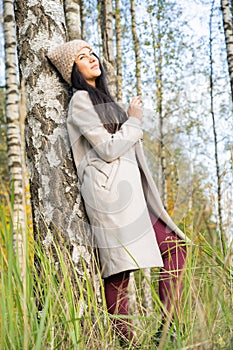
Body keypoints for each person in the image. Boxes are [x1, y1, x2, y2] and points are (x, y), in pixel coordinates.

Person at [47, 39, 189, 347]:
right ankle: (128, 343)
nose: (91, 59)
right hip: (109, 195)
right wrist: (134, 118)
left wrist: (129, 120)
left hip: (130, 194)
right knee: (119, 272)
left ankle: (166, 331)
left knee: (174, 246)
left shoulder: (103, 99)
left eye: (91, 53)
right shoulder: (81, 101)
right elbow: (109, 148)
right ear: (73, 70)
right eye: (82, 58)